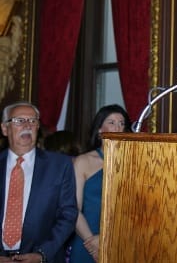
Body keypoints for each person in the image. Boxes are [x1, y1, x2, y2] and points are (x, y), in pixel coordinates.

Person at [0, 101, 78, 263]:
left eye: (33, 121)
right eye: (19, 121)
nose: (27, 125)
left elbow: (68, 216)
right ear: (5, 129)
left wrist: (42, 254)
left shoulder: (59, 166)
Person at [69, 104, 130, 263]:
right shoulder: (83, 161)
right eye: (112, 122)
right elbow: (73, 208)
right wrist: (92, 242)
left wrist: (107, 237)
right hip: (87, 238)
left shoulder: (132, 162)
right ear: (99, 130)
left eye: (121, 123)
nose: (118, 127)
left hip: (120, 239)